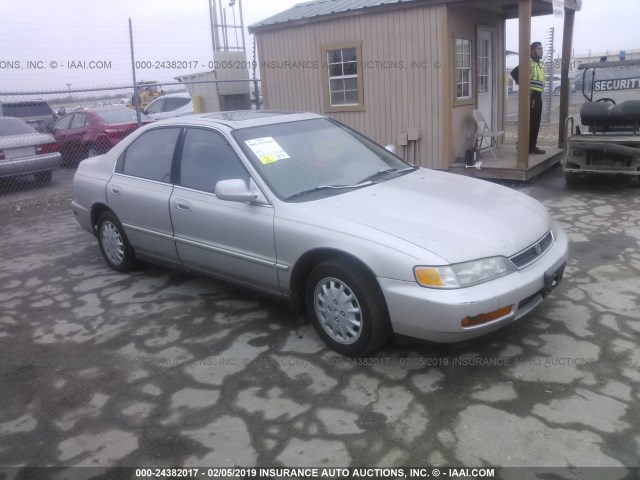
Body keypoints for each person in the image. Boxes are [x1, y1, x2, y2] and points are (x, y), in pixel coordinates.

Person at [510, 42, 546, 154]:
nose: (541, 51)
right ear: (532, 51)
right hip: (532, 96)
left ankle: (531, 146)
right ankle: (523, 145)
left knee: (536, 122)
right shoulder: (528, 62)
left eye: (542, 49)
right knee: (529, 122)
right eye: (539, 49)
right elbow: (514, 73)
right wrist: (525, 87)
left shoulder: (537, 63)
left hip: (538, 95)